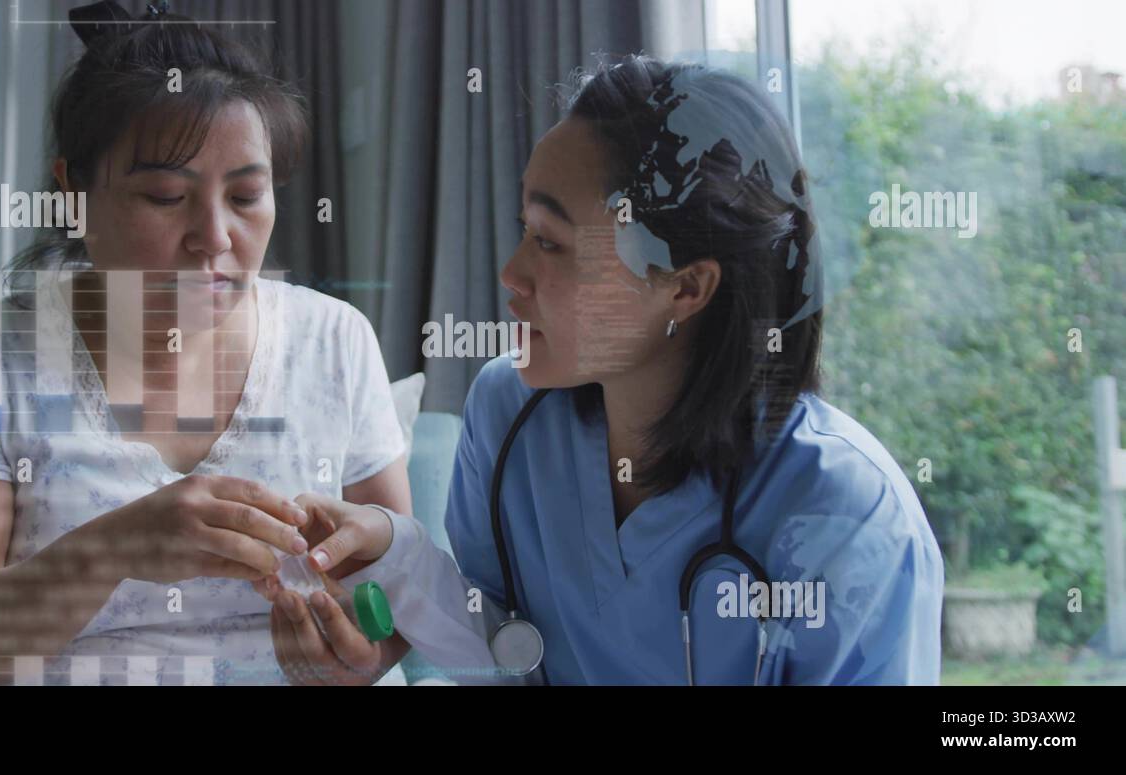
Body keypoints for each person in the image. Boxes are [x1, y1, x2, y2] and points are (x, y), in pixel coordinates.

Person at [259, 56, 945, 685]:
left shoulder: (849, 517)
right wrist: (397, 557)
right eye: (525, 229)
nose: (511, 273)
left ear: (685, 287)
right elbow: (499, 645)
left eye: (551, 241)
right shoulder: (508, 414)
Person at [0, 1, 412, 684]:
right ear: (73, 192)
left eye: (246, 197)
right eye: (165, 197)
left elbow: (402, 596)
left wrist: (362, 656)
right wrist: (114, 548)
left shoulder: (335, 339)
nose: (214, 238)